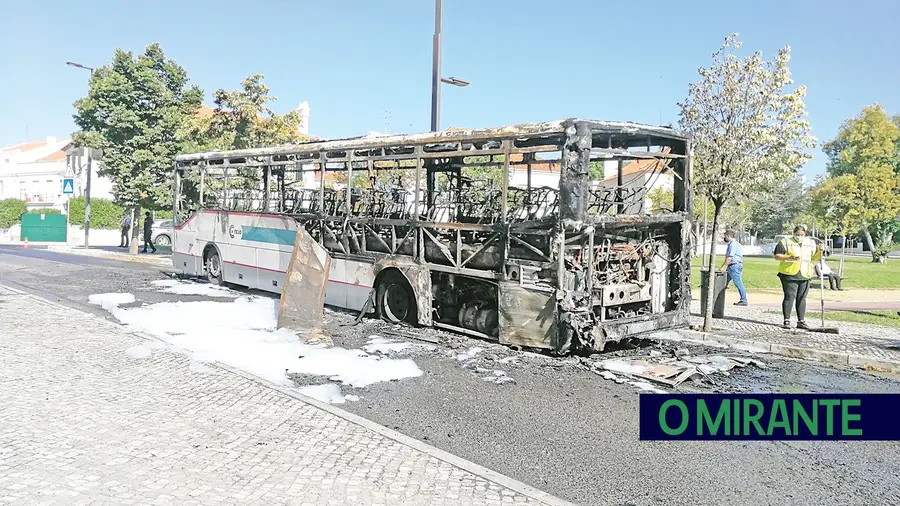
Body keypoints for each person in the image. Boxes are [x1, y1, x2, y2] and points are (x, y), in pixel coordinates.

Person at [773, 225, 824, 330]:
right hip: (789, 274)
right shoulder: (785, 242)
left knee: (802, 298)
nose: (800, 236)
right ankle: (786, 320)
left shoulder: (810, 243)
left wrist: (820, 251)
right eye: (797, 235)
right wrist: (789, 257)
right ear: (793, 233)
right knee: (790, 296)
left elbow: (814, 257)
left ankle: (801, 320)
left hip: (805, 274)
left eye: (802, 235)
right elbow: (777, 256)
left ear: (805, 234)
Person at [719, 230, 747, 306]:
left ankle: (743, 300)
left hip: (734, 266)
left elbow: (730, 257)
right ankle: (718, 297)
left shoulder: (733, 244)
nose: (724, 238)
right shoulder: (731, 244)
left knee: (738, 283)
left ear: (729, 236)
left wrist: (723, 267)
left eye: (725, 236)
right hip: (731, 266)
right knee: (723, 282)